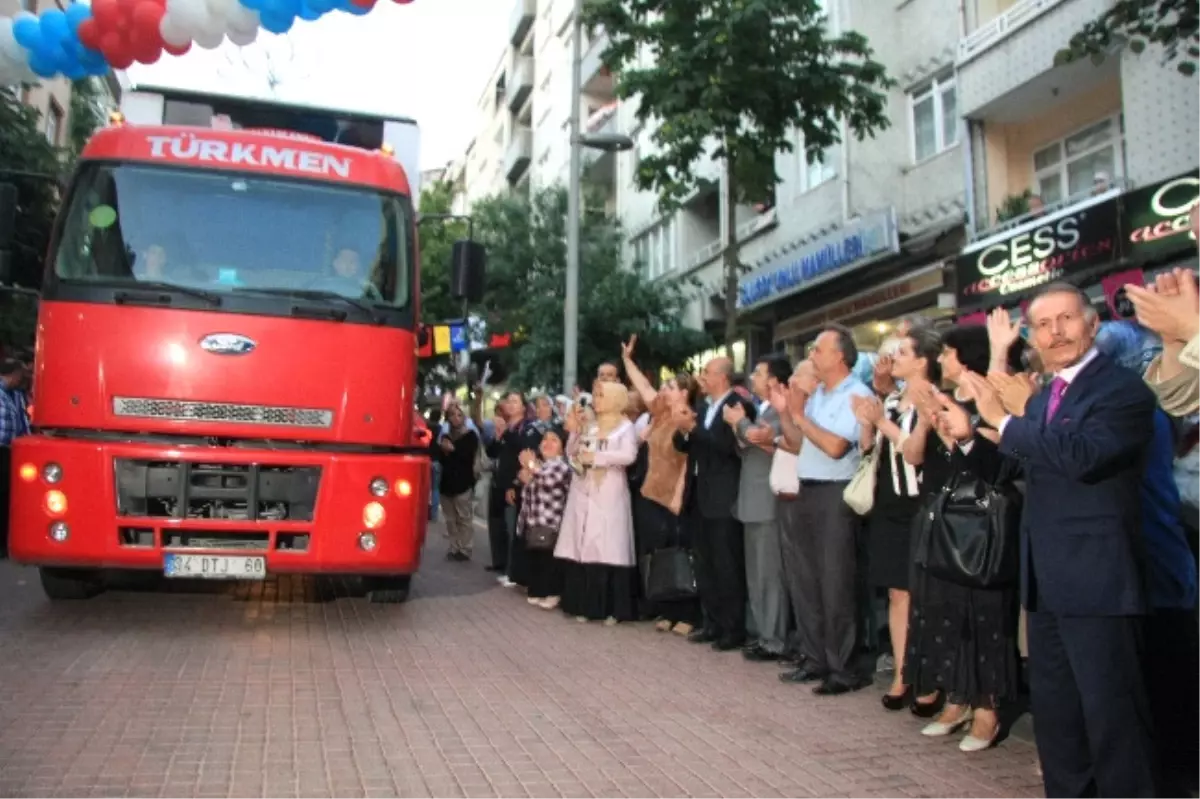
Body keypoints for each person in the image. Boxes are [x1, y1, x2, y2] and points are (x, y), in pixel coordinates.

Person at [965, 283, 1159, 797]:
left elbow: (1081, 455)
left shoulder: (1122, 390)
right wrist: (967, 432)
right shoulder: (1044, 394)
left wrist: (1005, 420)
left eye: (1067, 319)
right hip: (1046, 580)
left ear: (1091, 324)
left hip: (1098, 579)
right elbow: (1007, 464)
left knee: (1113, 717)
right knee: (1058, 719)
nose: (1056, 333)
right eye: (1044, 324)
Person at [773, 325, 874, 695]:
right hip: (808, 488)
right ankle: (814, 658)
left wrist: (800, 416)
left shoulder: (856, 394)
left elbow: (835, 447)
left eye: (819, 348)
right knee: (807, 580)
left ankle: (843, 668)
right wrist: (789, 413)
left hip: (836, 492)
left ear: (840, 356)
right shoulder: (818, 396)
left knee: (835, 583)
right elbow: (798, 443)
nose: (812, 353)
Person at [851, 328, 944, 712]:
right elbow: (867, 448)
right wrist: (868, 419)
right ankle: (903, 671)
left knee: (926, 593)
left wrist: (882, 419)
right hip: (889, 506)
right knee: (897, 593)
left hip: (923, 504)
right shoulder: (890, 400)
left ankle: (930, 675)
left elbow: (916, 454)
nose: (892, 357)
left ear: (922, 360)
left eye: (901, 351)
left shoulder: (935, 399)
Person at [621, 336, 703, 635]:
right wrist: (628, 361)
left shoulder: (687, 418)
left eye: (670, 387)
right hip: (651, 492)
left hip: (675, 495)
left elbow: (687, 462)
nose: (663, 390)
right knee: (660, 553)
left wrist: (679, 496)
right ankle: (666, 609)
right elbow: (643, 386)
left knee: (681, 551)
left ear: (684, 392)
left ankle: (688, 613)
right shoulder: (660, 413)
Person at [673, 357, 756, 651]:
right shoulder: (705, 407)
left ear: (722, 376)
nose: (702, 378)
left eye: (706, 372)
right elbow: (683, 445)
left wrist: (693, 429)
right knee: (704, 562)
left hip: (724, 496)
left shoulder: (737, 405)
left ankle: (732, 628)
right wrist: (684, 429)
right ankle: (712, 622)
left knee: (726, 564)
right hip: (699, 495)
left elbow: (727, 448)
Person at [724, 353, 791, 662]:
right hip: (751, 500)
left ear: (776, 379)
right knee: (756, 574)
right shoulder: (762, 408)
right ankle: (763, 633)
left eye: (760, 373)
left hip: (768, 500)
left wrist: (742, 425)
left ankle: (774, 638)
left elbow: (763, 440)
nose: (753, 378)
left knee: (770, 575)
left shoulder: (781, 412)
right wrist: (744, 428)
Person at [555, 381, 639, 623]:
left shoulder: (624, 427)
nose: (597, 399)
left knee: (609, 548)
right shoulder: (590, 425)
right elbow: (572, 451)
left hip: (609, 491)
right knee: (586, 546)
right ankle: (586, 606)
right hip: (584, 487)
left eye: (602, 395)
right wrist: (575, 432)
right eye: (597, 394)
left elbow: (629, 455)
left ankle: (613, 609)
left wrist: (599, 457)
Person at [485, 391, 543, 585]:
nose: (510, 404)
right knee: (501, 527)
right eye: (508, 400)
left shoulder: (526, 428)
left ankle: (514, 572)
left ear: (524, 407)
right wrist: (498, 436)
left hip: (516, 485)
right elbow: (492, 451)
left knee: (514, 529)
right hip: (498, 484)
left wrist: (513, 484)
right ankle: (503, 564)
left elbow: (525, 452)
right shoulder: (506, 427)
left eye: (515, 401)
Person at [516, 425, 573, 610]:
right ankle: (537, 590)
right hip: (533, 521)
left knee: (549, 560)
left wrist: (530, 467)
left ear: (562, 447)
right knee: (537, 558)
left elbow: (547, 481)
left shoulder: (562, 466)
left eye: (554, 440)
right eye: (545, 439)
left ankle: (552, 592)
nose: (547, 443)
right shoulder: (541, 465)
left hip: (552, 523)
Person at [433, 403, 480, 562]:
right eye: (452, 415)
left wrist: (453, 450)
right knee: (450, 519)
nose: (456, 418)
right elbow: (438, 457)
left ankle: (465, 548)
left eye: (459, 415)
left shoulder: (470, 435)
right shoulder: (444, 436)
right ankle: (454, 547)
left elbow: (467, 457)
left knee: (464, 518)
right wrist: (443, 450)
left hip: (463, 483)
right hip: (447, 483)